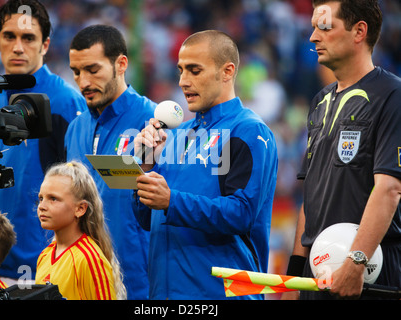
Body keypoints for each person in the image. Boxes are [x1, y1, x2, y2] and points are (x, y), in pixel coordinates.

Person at [132, 30, 278, 300]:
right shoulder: (176, 135)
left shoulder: (247, 131)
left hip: (221, 294)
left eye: (194, 70)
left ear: (227, 71)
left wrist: (171, 201)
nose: (183, 81)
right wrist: (145, 167)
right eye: (180, 70)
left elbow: (241, 213)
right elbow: (145, 218)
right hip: (164, 294)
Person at [284, 0, 401, 300]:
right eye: (312, 27)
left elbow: (389, 189)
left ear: (359, 31)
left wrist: (356, 262)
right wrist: (293, 280)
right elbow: (309, 199)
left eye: (323, 26)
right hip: (316, 276)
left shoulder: (393, 96)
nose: (312, 37)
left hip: (367, 276)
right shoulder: (320, 101)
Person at [0, 0, 86, 284]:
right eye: (10, 36)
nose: (18, 47)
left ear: (45, 44)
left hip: (38, 268)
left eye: (29, 38)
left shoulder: (65, 102)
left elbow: (83, 189)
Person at [65, 24, 156, 299]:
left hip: (140, 285)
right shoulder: (75, 128)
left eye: (93, 70)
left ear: (121, 64)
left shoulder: (153, 122)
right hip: (84, 281)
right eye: (76, 72)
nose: (83, 82)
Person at [35, 161, 126, 300]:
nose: (42, 206)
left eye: (53, 199)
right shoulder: (44, 256)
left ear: (80, 209)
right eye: (41, 198)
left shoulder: (89, 259)